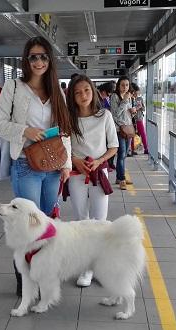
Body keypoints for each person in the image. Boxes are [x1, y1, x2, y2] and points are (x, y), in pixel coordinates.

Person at [0, 36, 72, 296]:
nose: (38, 61)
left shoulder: (56, 90)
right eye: (33, 56)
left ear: (50, 60)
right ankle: (24, 281)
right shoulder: (14, 87)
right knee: (26, 226)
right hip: (26, 165)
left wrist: (67, 163)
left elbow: (64, 131)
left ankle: (44, 276)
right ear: (27, 60)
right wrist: (25, 130)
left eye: (43, 56)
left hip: (53, 168)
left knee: (47, 225)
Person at [66, 75, 118, 287]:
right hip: (77, 173)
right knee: (81, 220)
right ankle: (86, 267)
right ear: (72, 96)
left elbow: (113, 146)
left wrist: (99, 161)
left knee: (100, 222)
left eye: (86, 90)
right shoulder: (68, 118)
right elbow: (63, 147)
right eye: (77, 92)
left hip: (99, 172)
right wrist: (74, 161)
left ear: (93, 91)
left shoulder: (104, 115)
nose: (83, 95)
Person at [111, 76, 136, 190]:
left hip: (128, 128)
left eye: (127, 85)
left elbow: (127, 113)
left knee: (124, 154)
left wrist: (133, 112)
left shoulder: (129, 97)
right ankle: (122, 179)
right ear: (118, 85)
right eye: (122, 85)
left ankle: (119, 177)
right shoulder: (114, 96)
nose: (125, 87)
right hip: (119, 129)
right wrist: (125, 100)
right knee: (121, 154)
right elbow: (115, 114)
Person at [130, 83, 148, 154]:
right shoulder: (130, 99)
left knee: (143, 133)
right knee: (132, 134)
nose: (136, 94)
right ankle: (132, 150)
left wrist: (140, 107)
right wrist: (136, 108)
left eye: (137, 93)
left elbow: (143, 109)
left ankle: (146, 148)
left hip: (139, 118)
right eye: (135, 93)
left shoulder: (140, 99)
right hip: (131, 119)